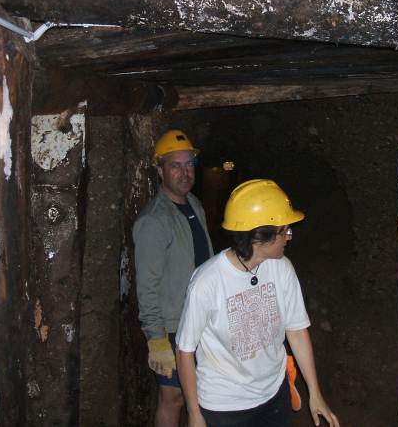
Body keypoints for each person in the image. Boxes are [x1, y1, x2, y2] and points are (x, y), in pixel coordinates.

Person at [176, 179, 339, 427]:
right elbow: (185, 350)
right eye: (284, 231)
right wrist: (194, 413)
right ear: (259, 237)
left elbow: (296, 331)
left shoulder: (282, 268)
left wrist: (315, 393)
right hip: (225, 407)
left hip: (275, 395)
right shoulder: (207, 282)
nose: (289, 237)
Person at [133, 129, 214, 427]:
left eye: (189, 164)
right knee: (173, 397)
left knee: (197, 393)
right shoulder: (154, 221)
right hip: (172, 327)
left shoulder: (194, 205)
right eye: (175, 165)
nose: (184, 172)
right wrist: (156, 339)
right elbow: (147, 286)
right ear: (160, 171)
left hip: (200, 319)